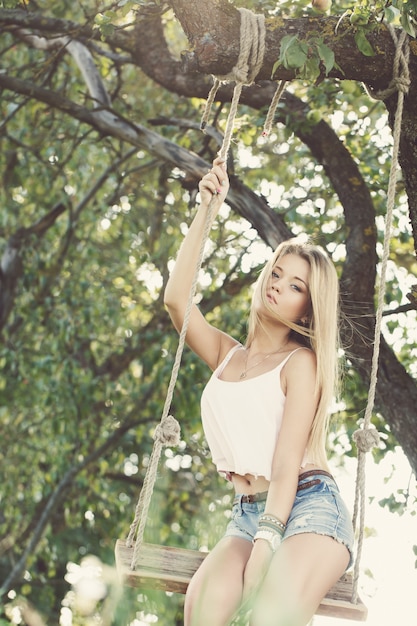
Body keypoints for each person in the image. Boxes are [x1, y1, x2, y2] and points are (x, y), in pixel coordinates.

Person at [164, 156, 354, 626]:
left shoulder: (301, 363)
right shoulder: (227, 355)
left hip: (308, 506)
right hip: (247, 511)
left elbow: (287, 462)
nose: (277, 286)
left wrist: (268, 543)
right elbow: (175, 299)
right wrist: (207, 210)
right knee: (201, 611)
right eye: (276, 273)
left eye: (295, 286)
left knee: (270, 616)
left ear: (307, 311)